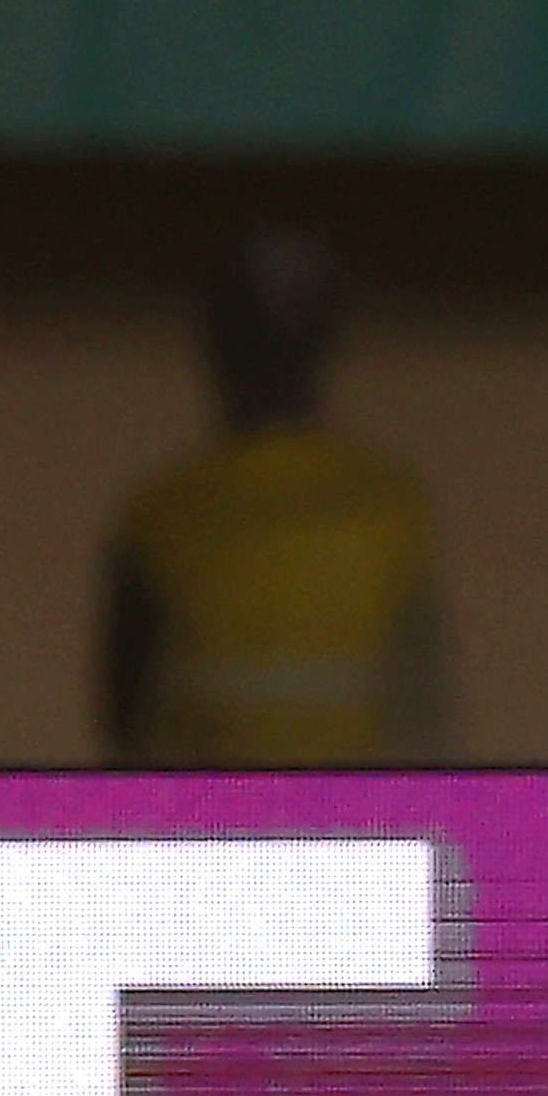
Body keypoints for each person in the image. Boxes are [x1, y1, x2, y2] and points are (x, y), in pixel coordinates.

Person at [99, 229, 445, 765]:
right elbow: (429, 712)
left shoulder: (162, 510)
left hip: (308, 829)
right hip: (278, 828)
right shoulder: (391, 506)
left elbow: (123, 719)